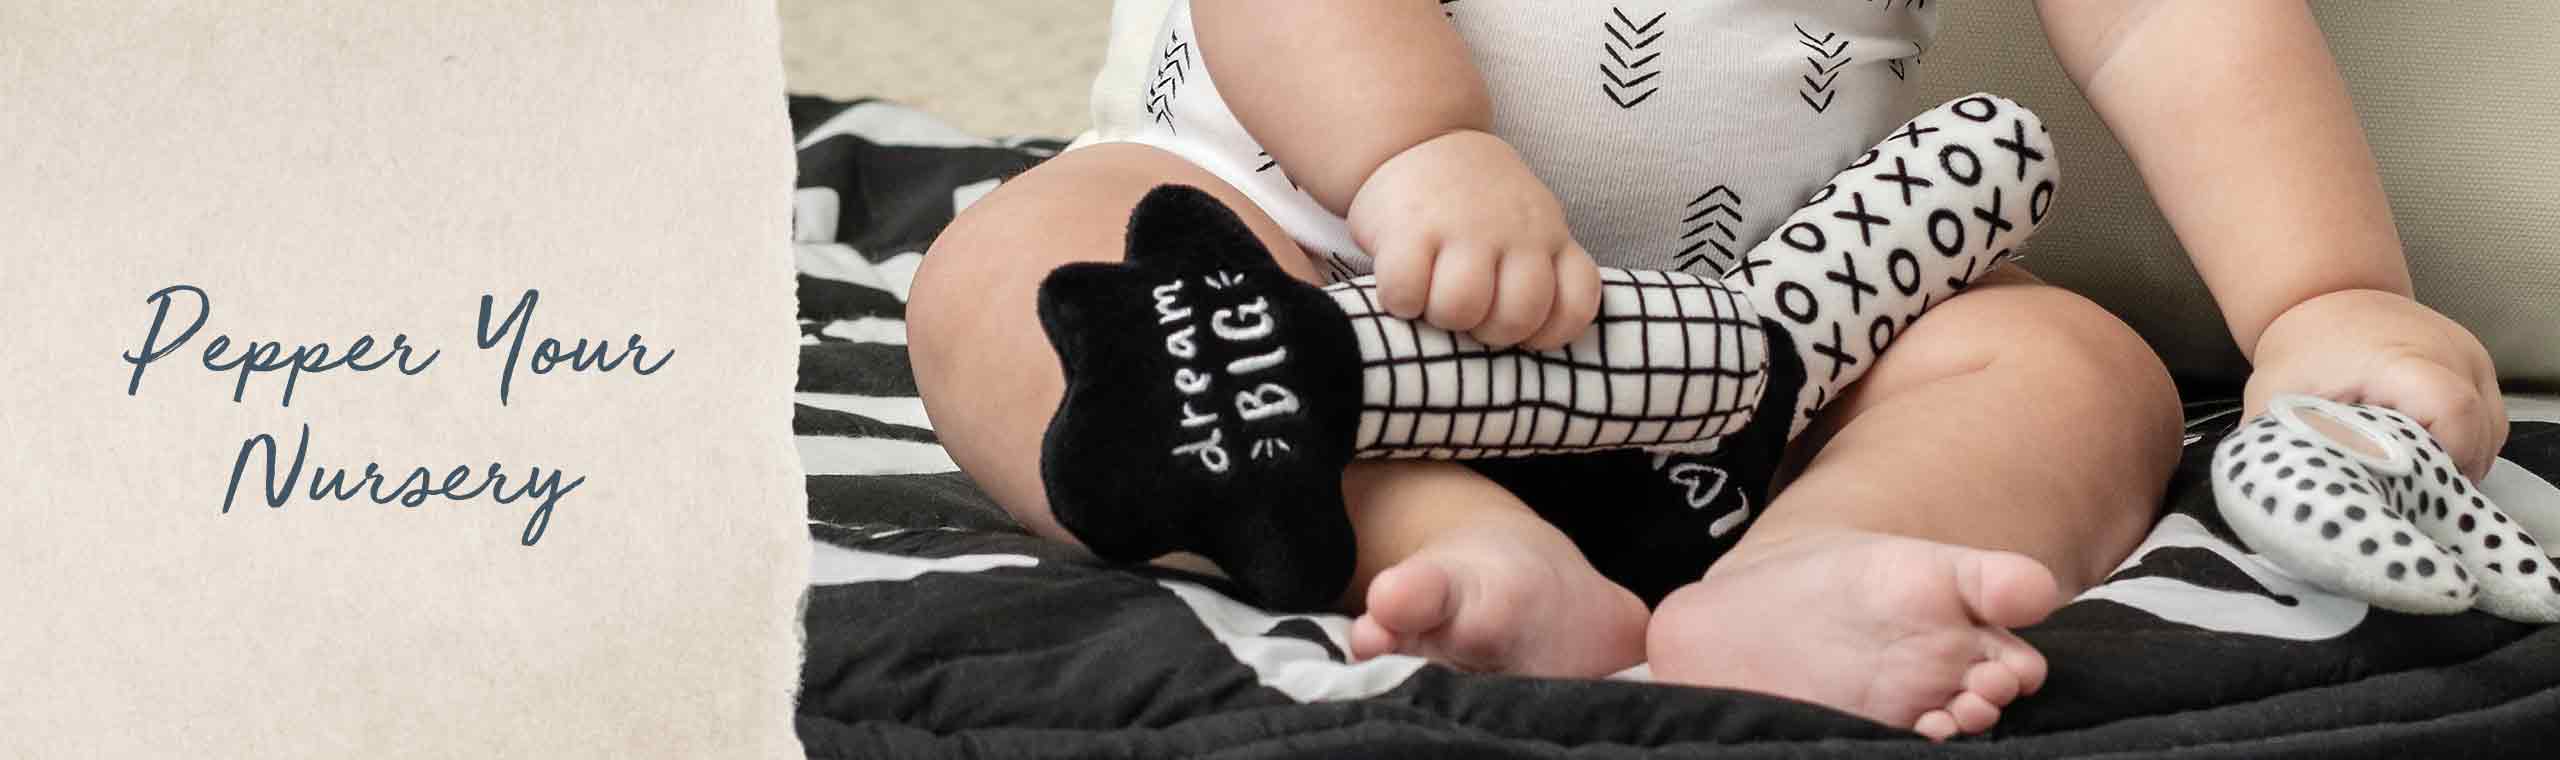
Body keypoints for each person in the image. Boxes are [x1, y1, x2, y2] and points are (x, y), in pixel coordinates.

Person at [906, 0, 2507, 739]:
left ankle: (1817, 568)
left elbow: (2178, 28)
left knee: (2072, 361)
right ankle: (1443, 542)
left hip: (1776, 340)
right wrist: (1415, 151)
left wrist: (2326, 293)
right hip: (1304, 266)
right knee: (1025, 280)